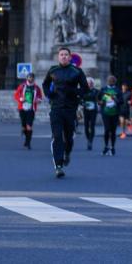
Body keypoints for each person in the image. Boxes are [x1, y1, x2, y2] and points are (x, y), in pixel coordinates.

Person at [42, 47, 89, 178]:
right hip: (56, 108)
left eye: (66, 55)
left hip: (70, 109)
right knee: (57, 136)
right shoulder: (53, 70)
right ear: (58, 57)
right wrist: (49, 94)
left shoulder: (77, 71)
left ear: (70, 57)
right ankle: (58, 166)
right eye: (61, 54)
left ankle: (67, 153)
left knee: (68, 138)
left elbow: (85, 89)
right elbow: (45, 84)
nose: (63, 56)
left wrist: (77, 95)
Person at [14, 73, 43, 149]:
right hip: (22, 108)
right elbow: (16, 95)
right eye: (29, 77)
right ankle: (24, 131)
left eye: (32, 78)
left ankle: (28, 142)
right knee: (24, 126)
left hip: (31, 109)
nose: (30, 79)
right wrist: (21, 99)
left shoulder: (36, 88)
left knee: (29, 126)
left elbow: (40, 97)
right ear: (27, 78)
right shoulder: (22, 86)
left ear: (34, 79)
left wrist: (38, 100)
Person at [99, 75, 123, 156]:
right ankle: (106, 147)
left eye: (112, 80)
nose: (111, 81)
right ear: (107, 81)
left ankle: (112, 147)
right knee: (107, 130)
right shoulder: (103, 90)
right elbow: (98, 99)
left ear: (114, 81)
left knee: (113, 131)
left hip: (115, 113)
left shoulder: (118, 90)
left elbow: (121, 101)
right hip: (105, 113)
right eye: (109, 80)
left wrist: (115, 99)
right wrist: (100, 102)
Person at [81, 78, 100, 151]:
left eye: (91, 82)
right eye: (88, 83)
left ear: (92, 83)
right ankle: (88, 138)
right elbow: (80, 99)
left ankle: (90, 141)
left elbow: (101, 98)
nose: (89, 84)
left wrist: (100, 102)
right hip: (86, 110)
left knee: (92, 125)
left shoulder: (96, 91)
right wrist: (82, 103)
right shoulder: (83, 91)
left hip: (93, 110)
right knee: (86, 126)